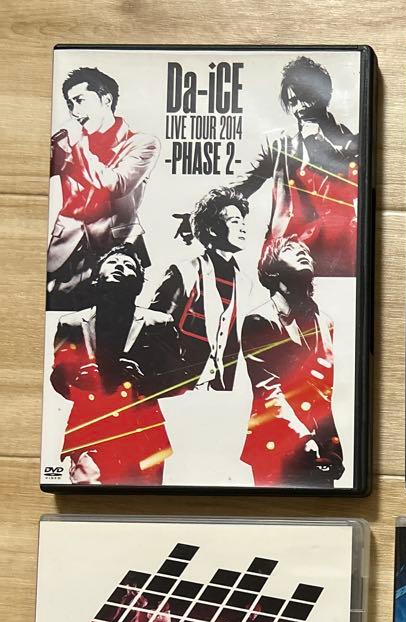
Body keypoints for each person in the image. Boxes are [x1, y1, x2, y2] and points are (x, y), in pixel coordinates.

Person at [150, 187, 256, 483]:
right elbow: (154, 329)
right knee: (180, 469)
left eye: (243, 220)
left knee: (217, 469)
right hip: (179, 391)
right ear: (211, 229)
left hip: (222, 393)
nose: (243, 226)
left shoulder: (245, 282)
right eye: (234, 221)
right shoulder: (182, 272)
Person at [49, 244, 178, 484]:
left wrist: (144, 378)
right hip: (89, 429)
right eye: (113, 262)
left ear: (138, 284)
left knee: (143, 501)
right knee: (87, 499)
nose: (120, 266)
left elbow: (177, 379)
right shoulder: (71, 324)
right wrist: (76, 378)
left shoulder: (160, 323)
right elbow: (58, 378)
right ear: (96, 278)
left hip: (144, 433)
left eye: (129, 266)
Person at [232, 56, 359, 276]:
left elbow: (355, 188)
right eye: (293, 101)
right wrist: (207, 209)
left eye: (306, 98)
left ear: (324, 95)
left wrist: (319, 143)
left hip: (336, 253)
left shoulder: (351, 141)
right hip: (286, 254)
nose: (299, 108)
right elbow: (246, 184)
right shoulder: (279, 143)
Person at [48, 67, 160, 309]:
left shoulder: (142, 143)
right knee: (59, 321)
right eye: (70, 104)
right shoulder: (66, 141)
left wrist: (78, 144)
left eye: (80, 100)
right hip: (65, 251)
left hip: (116, 251)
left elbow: (116, 185)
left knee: (111, 321)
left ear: (106, 99)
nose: (74, 111)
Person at [240, 237, 344, 486]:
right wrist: (302, 439)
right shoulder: (259, 320)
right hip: (276, 443)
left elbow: (323, 395)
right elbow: (267, 391)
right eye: (290, 249)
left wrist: (333, 447)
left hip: (318, 447)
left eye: (304, 251)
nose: (302, 253)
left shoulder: (325, 322)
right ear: (272, 269)